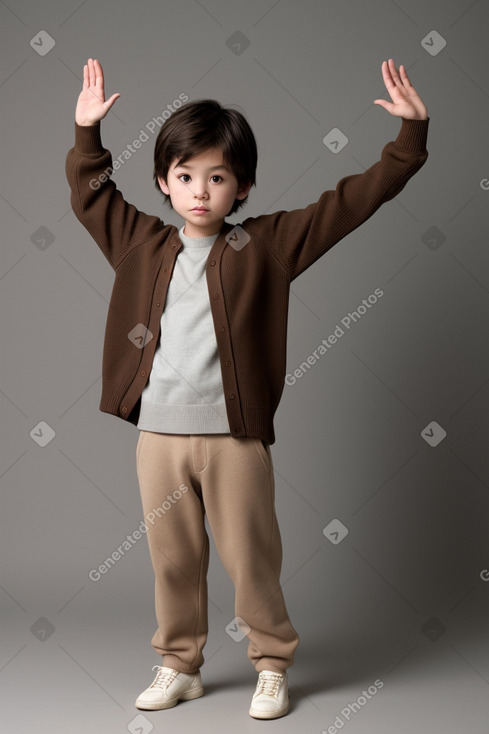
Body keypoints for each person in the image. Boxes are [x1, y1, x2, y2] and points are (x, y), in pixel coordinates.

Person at [65, 57, 429, 720]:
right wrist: (87, 134)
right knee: (172, 562)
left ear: (242, 187)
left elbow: (349, 203)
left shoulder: (267, 246)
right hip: (159, 437)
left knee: (252, 559)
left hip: (233, 439)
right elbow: (91, 194)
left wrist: (407, 142)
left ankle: (271, 663)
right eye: (184, 177)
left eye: (217, 177)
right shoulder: (139, 243)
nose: (200, 191)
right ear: (163, 184)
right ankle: (179, 664)